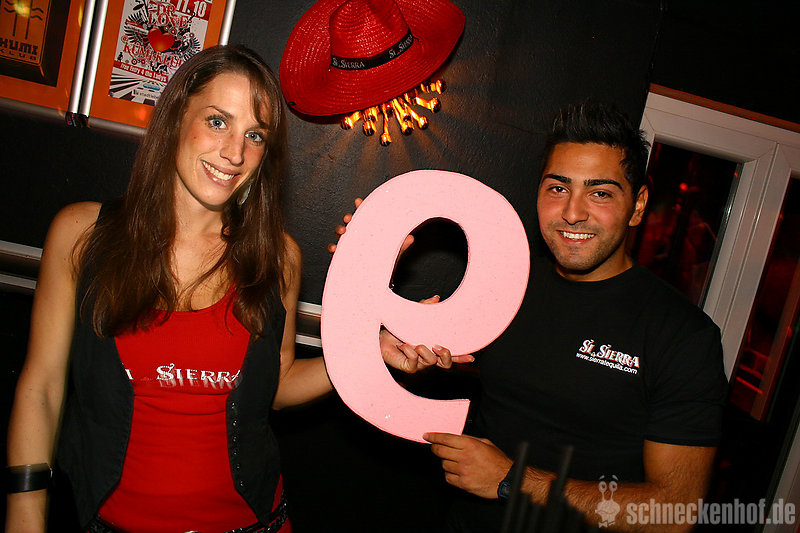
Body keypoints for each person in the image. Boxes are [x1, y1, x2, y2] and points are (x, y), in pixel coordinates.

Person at [5, 45, 454, 533]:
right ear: (177, 117)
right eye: (218, 121)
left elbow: (277, 385)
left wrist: (367, 350)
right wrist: (24, 512)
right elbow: (41, 388)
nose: (235, 153)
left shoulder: (277, 257)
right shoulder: (82, 235)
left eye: (255, 135)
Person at [333, 101, 727, 532]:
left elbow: (676, 512)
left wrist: (513, 481)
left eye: (600, 193)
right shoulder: (506, 284)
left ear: (637, 205)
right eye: (558, 188)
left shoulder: (683, 335)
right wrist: (370, 262)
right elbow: (442, 353)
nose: (572, 212)